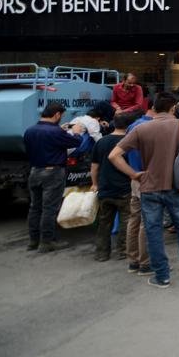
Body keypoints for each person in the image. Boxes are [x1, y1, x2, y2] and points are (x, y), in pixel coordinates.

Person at [109, 92, 179, 288]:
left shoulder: (141, 129)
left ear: (154, 107)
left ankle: (162, 276)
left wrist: (134, 174)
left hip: (149, 186)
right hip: (178, 186)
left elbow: (114, 155)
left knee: (153, 231)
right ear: (173, 108)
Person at [23, 103, 84, 253]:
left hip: (35, 171)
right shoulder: (55, 132)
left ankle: (33, 241)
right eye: (61, 116)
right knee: (49, 209)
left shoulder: (30, 130)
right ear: (57, 114)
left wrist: (61, 130)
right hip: (53, 172)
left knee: (35, 208)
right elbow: (76, 142)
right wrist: (76, 132)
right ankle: (46, 242)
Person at [91, 113, 132, 261]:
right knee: (126, 221)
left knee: (104, 222)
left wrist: (95, 184)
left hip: (105, 188)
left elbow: (94, 167)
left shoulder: (101, 142)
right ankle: (123, 250)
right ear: (128, 126)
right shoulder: (129, 142)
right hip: (124, 188)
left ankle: (102, 253)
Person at [124, 107, 154, 274]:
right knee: (147, 221)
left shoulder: (133, 126)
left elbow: (120, 152)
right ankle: (146, 263)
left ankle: (133, 261)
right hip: (147, 177)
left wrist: (132, 173)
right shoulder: (151, 127)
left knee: (134, 219)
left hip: (134, 177)